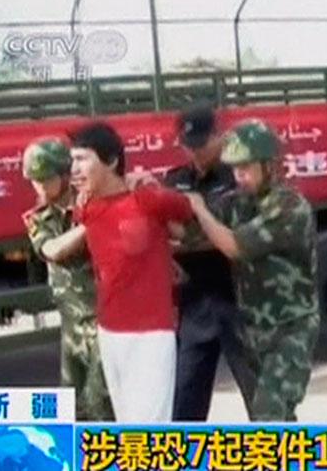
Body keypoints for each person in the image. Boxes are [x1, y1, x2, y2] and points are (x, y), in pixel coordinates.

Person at [186, 120, 320, 421]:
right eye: (234, 169)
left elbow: (234, 246)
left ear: (270, 166)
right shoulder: (238, 202)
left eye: (246, 168)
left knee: (268, 413)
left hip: (291, 327)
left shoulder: (289, 206)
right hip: (255, 328)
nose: (239, 177)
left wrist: (200, 209)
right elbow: (189, 231)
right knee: (276, 415)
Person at [68, 122, 194, 422]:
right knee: (127, 426)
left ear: (111, 161)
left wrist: (149, 184)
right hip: (110, 331)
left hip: (151, 335)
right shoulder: (86, 207)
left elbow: (185, 211)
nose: (74, 169)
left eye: (83, 159)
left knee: (148, 428)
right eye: (72, 160)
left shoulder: (146, 199)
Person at [166, 103, 254, 420]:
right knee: (185, 401)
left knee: (262, 400)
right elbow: (164, 231)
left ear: (219, 136)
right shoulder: (175, 180)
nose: (196, 153)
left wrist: (189, 234)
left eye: (201, 145)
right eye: (189, 147)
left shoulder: (240, 177)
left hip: (240, 301)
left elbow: (235, 235)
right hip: (196, 304)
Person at [21, 137, 113, 421]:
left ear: (64, 175)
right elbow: (52, 250)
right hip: (73, 329)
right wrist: (90, 224)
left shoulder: (95, 201)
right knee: (72, 410)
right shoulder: (39, 218)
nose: (40, 188)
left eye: (46, 180)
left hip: (105, 323)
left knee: (101, 406)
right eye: (35, 181)